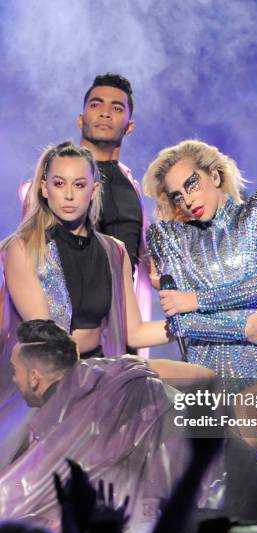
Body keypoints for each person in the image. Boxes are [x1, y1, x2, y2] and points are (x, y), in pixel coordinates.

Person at [0, 141, 215, 466]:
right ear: (43, 189)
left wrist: (202, 318)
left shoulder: (113, 251)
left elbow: (136, 332)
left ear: (94, 189)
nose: (69, 195)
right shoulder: (23, 249)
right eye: (59, 184)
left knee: (203, 379)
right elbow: (46, 342)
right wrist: (110, 377)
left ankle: (195, 497)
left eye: (79, 184)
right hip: (51, 382)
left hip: (102, 367)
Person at [0, 319, 217, 533]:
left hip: (144, 530)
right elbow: (205, 376)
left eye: (15, 370)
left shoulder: (57, 430)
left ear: (35, 378)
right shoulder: (120, 370)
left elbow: (22, 492)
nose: (14, 379)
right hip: (191, 496)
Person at [144, 139, 257, 381]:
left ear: (214, 176)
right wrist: (242, 329)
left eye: (191, 185)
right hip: (201, 374)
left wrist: (196, 299)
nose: (187, 201)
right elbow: (180, 324)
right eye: (178, 196)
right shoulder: (173, 239)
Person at [18, 73, 152, 324]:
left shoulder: (132, 187)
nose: (105, 113)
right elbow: (28, 263)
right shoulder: (48, 188)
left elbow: (141, 264)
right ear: (81, 119)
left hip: (123, 331)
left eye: (116, 107)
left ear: (130, 126)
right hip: (62, 335)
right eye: (96, 104)